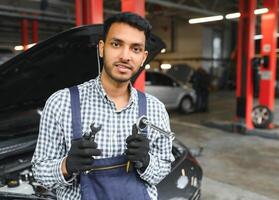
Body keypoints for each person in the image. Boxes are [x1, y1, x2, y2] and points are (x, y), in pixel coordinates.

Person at [32, 12, 174, 200]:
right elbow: (40, 174)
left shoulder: (155, 109)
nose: (125, 56)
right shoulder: (61, 103)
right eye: (116, 44)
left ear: (143, 58)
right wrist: (66, 166)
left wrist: (147, 162)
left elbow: (163, 168)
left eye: (136, 49)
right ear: (101, 48)